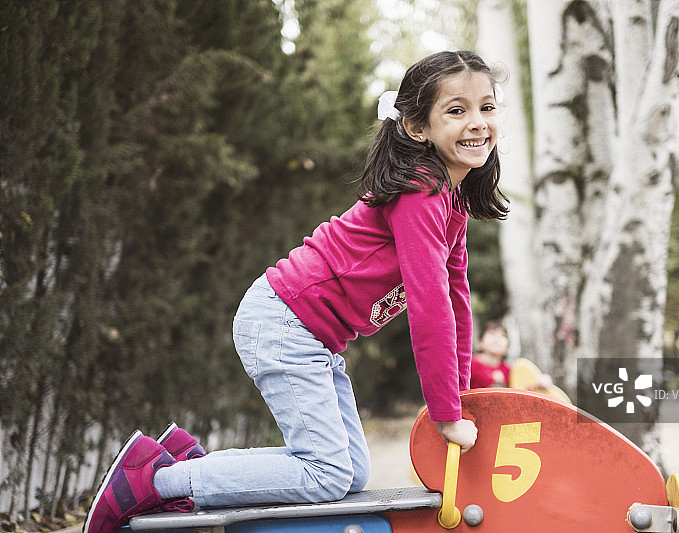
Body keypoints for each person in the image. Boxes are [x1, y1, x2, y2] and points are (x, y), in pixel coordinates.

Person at [83, 50, 508, 533]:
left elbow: (455, 298)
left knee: (349, 474)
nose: (477, 123)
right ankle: (154, 481)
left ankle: (182, 461)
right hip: (285, 322)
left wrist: (463, 393)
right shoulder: (418, 195)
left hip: (312, 335)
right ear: (416, 127)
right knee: (326, 474)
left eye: (487, 107)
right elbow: (430, 310)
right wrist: (447, 413)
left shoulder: (449, 200)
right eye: (457, 110)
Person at [470, 321, 511, 388]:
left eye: (502, 335)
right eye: (491, 333)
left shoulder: (509, 371)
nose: (497, 338)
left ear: (507, 349)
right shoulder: (470, 365)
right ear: (479, 343)